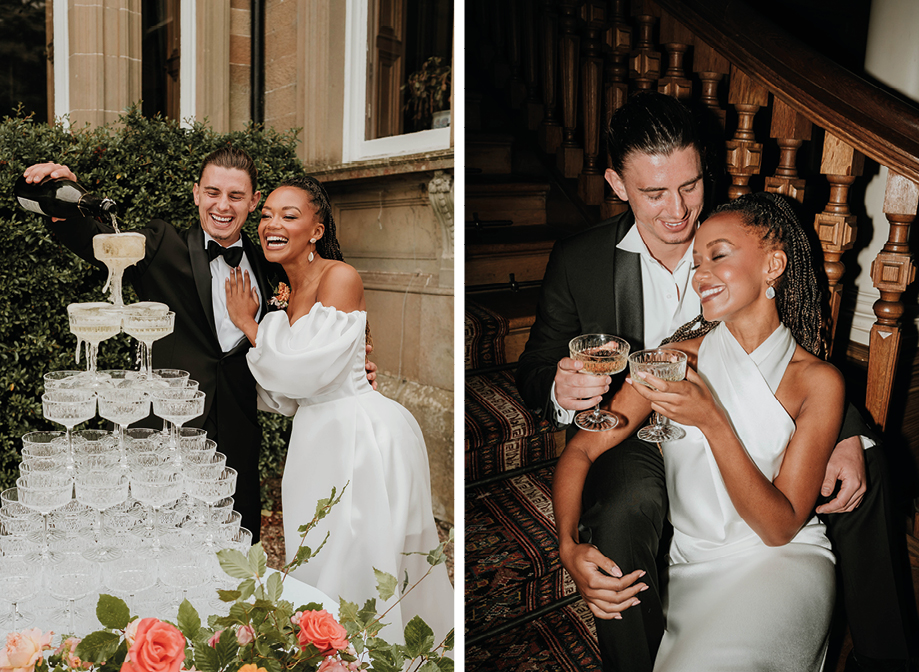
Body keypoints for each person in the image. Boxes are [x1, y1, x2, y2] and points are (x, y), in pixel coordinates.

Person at [517, 91, 914, 671]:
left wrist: (845, 430)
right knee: (624, 508)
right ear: (617, 184)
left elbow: (800, 330)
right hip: (644, 424)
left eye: (691, 185)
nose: (679, 210)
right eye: (654, 193)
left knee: (868, 470)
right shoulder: (580, 259)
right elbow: (538, 368)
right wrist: (560, 389)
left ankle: (889, 656)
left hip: (757, 431)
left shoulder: (741, 228)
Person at [557, 192, 841, 670]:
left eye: (718, 255)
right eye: (696, 262)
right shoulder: (674, 361)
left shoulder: (817, 383)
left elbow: (779, 527)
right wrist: (567, 545)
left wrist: (712, 421)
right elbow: (582, 451)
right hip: (692, 572)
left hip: (782, 564)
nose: (700, 274)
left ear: (773, 264)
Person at [224, 176, 453, 645]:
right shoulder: (281, 298)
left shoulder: (339, 277)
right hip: (313, 441)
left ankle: (377, 651)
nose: (272, 223)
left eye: (289, 215)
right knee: (318, 556)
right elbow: (283, 397)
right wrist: (264, 332)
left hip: (361, 438)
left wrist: (248, 325)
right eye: (266, 214)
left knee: (363, 560)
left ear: (316, 229)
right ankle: (329, 650)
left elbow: (301, 373)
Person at [25, 148, 286, 541]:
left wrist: (351, 365)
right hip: (164, 431)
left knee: (238, 547)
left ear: (253, 201)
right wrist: (68, 194)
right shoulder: (163, 244)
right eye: (213, 192)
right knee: (160, 544)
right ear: (196, 193)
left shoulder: (269, 261)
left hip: (238, 432)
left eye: (235, 196)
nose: (222, 206)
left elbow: (305, 318)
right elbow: (101, 242)